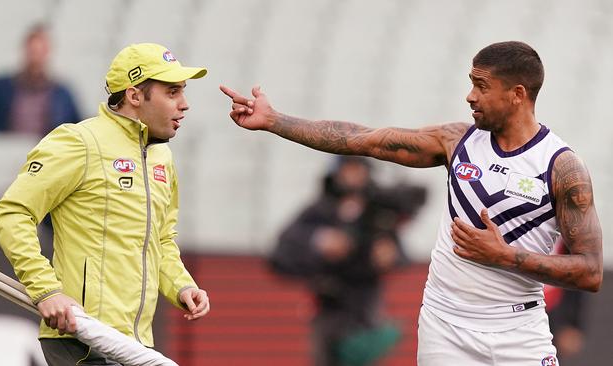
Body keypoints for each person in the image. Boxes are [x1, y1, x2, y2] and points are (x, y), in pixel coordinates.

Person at [221, 41, 603, 365]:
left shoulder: (561, 168)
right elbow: (363, 139)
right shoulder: (457, 141)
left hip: (519, 331)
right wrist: (274, 120)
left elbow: (589, 272)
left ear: (518, 94)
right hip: (445, 325)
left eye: (481, 86)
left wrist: (504, 257)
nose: (470, 95)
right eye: (471, 84)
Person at [0, 43, 210, 365]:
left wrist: (181, 285)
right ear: (135, 96)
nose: (184, 104)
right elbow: (13, 212)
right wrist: (47, 291)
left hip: (134, 344)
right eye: (172, 92)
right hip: (81, 338)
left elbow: (162, 239)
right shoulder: (78, 141)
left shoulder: (162, 156)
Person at [270, 156, 425, 366]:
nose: (354, 175)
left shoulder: (377, 212)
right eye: (348, 168)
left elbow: (401, 254)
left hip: (367, 314)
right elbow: (281, 254)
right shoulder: (320, 210)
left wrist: (388, 255)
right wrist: (320, 242)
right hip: (329, 310)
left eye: (359, 169)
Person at [0, 23, 80, 136]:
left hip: (46, 154)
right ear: (25, 51)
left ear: (47, 53)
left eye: (40, 52)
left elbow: (79, 127)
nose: (35, 58)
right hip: (3, 152)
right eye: (32, 52)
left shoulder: (62, 95)